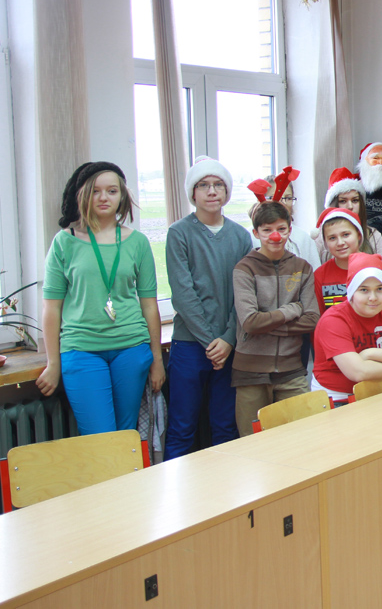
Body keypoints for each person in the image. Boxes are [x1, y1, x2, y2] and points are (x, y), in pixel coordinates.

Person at [38, 162, 165, 435]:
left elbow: (149, 305)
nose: (104, 197)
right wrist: (53, 363)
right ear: (82, 195)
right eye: (95, 191)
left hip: (131, 348)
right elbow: (51, 309)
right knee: (100, 438)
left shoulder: (138, 242)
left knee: (126, 435)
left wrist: (157, 360)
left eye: (112, 191)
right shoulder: (64, 242)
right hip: (81, 350)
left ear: (122, 196)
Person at [163, 156, 253, 459]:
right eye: (203, 185)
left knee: (225, 428)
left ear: (227, 192)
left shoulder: (241, 237)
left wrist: (227, 340)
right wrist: (210, 342)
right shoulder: (179, 233)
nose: (212, 191)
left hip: (230, 346)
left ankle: (224, 487)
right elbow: (183, 294)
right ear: (193, 192)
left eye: (218, 185)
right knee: (182, 428)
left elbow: (244, 296)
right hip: (190, 345)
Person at [232, 201, 320, 436]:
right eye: (267, 230)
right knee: (252, 442)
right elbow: (250, 322)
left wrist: (267, 323)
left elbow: (312, 319)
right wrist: (291, 310)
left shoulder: (302, 268)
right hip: (250, 373)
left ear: (290, 230)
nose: (275, 236)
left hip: (291, 369)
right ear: (256, 233)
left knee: (306, 434)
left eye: (281, 229)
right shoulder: (244, 269)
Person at [311, 253, 382, 400]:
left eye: (380, 289)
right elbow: (358, 372)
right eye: (364, 290)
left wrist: (369, 353)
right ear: (352, 292)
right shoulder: (333, 320)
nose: (373, 298)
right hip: (339, 398)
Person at [247, 166, 321, 270]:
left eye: (288, 198)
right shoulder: (248, 237)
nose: (283, 203)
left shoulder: (303, 238)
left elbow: (314, 272)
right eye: (274, 197)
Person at [319, 167, 382, 262]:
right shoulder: (319, 238)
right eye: (343, 201)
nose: (350, 206)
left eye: (355, 200)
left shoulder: (374, 235)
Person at [312, 208, 368, 312]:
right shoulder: (320, 276)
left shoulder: (375, 268)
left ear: (359, 235)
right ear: (325, 242)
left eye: (346, 235)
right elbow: (319, 316)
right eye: (332, 238)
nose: (340, 243)